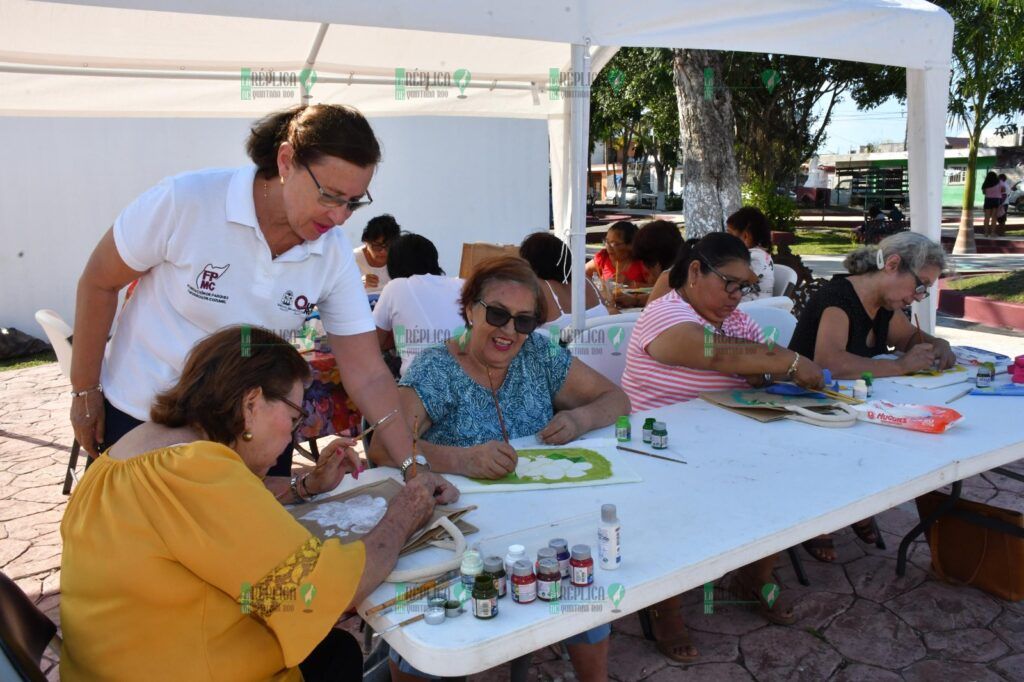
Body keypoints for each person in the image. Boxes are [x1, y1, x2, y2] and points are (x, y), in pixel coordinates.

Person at [60, 326, 459, 681]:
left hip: (110, 664)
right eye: (295, 417)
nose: (294, 435)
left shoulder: (131, 452)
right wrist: (405, 512)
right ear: (252, 404)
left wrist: (306, 487)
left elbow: (200, 527)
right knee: (334, 650)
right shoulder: (197, 471)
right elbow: (319, 594)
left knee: (334, 653)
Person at [69, 104, 418, 504]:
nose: (339, 217)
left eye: (353, 202)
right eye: (329, 195)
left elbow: (369, 373)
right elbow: (98, 282)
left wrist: (412, 465)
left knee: (250, 562)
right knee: (132, 553)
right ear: (286, 161)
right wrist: (84, 390)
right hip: (143, 422)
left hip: (254, 440)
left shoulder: (332, 251)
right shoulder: (187, 201)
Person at [372, 256, 629, 682]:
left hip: (539, 520)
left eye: (524, 321)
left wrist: (579, 419)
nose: (510, 331)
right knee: (430, 630)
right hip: (461, 532)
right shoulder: (437, 366)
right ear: (470, 309)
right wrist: (462, 459)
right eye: (497, 315)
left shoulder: (540, 354)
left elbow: (617, 400)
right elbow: (384, 446)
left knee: (585, 587)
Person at [619, 233, 822, 662]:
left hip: (726, 434)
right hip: (659, 443)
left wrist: (765, 372)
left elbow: (753, 356)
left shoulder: (733, 318)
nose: (737, 295)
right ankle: (665, 604)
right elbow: (713, 353)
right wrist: (785, 362)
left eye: (744, 286)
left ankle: (753, 578)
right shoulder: (666, 314)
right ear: (695, 272)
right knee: (672, 500)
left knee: (789, 476)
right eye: (730, 283)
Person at [787, 231, 952, 562]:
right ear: (892, 265)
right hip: (804, 406)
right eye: (920, 285)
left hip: (848, 405)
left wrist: (939, 345)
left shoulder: (885, 305)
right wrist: (902, 367)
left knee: (903, 434)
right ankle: (823, 514)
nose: (919, 296)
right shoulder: (839, 298)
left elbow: (909, 337)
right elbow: (828, 362)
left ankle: (858, 503)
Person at [374, 233, 465, 376]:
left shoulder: (395, 287)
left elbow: (374, 343)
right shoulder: (462, 284)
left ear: (394, 264)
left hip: (420, 383)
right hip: (467, 379)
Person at [518, 231, 609, 332]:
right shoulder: (584, 279)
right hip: (601, 345)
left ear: (529, 261)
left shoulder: (540, 287)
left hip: (559, 346)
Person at [615, 219, 684, 308]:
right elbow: (659, 298)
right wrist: (635, 300)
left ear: (655, 264)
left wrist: (611, 309)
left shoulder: (668, 277)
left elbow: (647, 315)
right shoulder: (687, 270)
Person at [725, 207, 774, 301]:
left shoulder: (756, 258)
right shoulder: (758, 255)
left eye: (730, 234)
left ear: (745, 236)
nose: (727, 238)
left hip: (753, 309)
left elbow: (738, 280)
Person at [584, 220, 648, 289]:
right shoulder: (603, 257)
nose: (608, 247)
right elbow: (580, 273)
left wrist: (630, 283)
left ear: (630, 245)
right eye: (607, 242)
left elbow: (655, 287)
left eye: (615, 244)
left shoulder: (641, 262)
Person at [354, 213, 401, 296]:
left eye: (388, 246)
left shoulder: (401, 257)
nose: (383, 251)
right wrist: (358, 283)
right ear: (366, 242)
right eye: (377, 246)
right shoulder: (352, 259)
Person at [982, 171, 1003, 238]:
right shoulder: (999, 182)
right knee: (994, 217)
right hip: (996, 200)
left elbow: (984, 192)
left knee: (987, 217)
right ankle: (992, 233)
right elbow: (1003, 189)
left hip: (988, 200)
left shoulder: (986, 183)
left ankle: (986, 233)